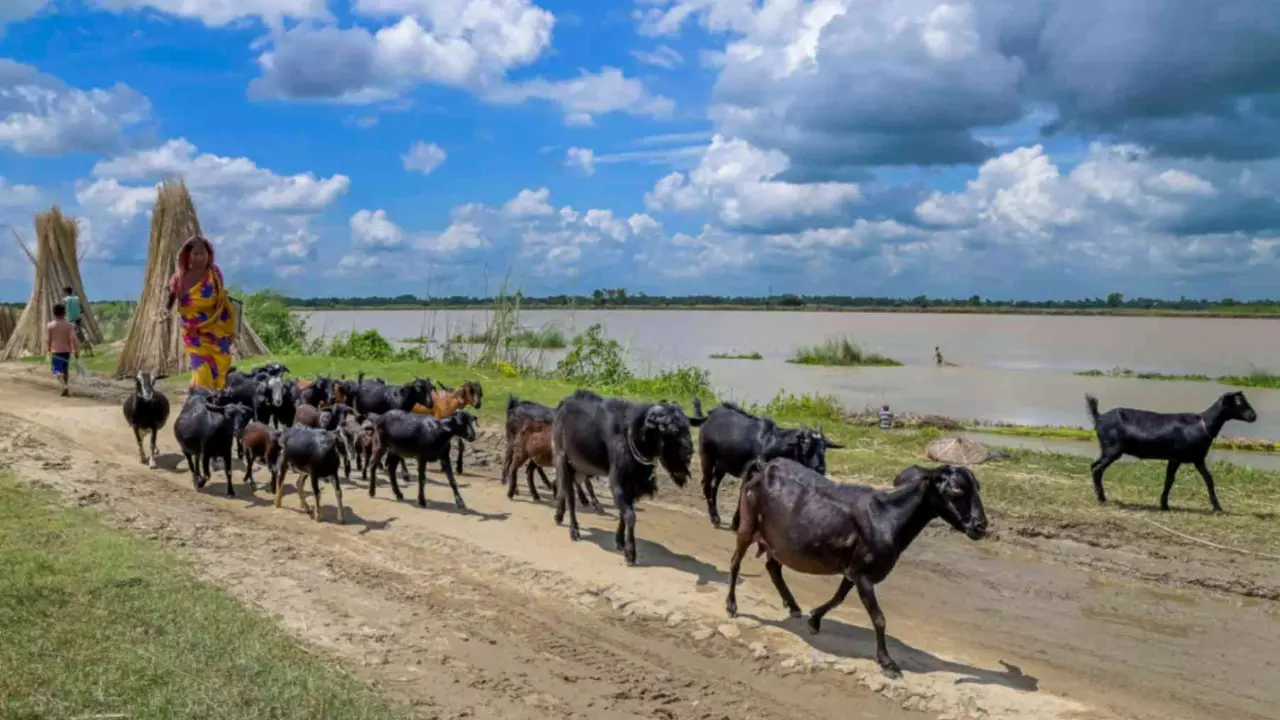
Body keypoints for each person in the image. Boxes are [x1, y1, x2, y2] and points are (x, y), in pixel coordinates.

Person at [159, 235, 237, 391]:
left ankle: (218, 400)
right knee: (201, 368)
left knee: (221, 367)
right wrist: (166, 310)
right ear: (188, 255)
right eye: (196, 254)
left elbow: (221, 297)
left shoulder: (215, 274)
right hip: (193, 333)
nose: (200, 257)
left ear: (208, 255)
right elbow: (172, 296)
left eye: (203, 254)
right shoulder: (180, 278)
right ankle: (200, 398)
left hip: (216, 329)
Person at [47, 303, 78, 397]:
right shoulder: (69, 325)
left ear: (54, 313)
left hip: (56, 351)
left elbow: (48, 339)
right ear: (64, 313)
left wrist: (48, 349)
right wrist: (75, 350)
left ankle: (64, 386)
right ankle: (66, 387)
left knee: (56, 371)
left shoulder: (50, 325)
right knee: (65, 370)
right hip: (66, 351)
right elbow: (72, 338)